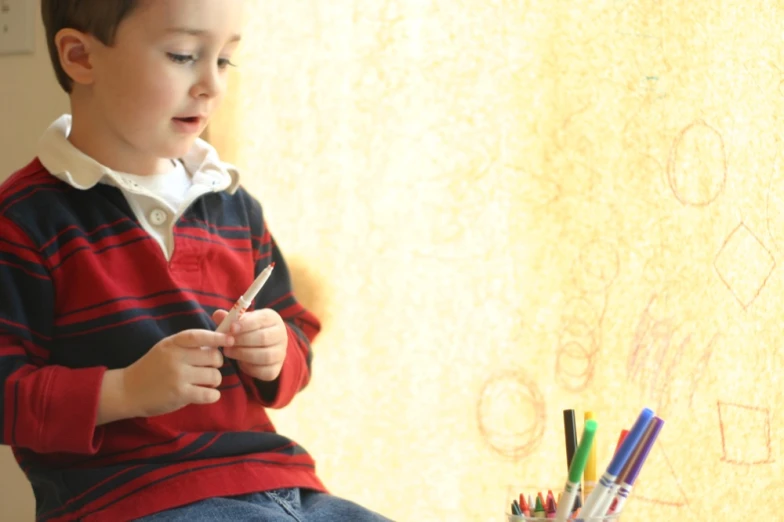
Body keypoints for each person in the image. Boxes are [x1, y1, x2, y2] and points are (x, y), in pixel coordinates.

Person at [0, 1, 390, 520]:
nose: (212, 84)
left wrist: (275, 353)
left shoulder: (232, 202)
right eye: (183, 55)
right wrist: (124, 391)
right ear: (80, 57)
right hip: (132, 498)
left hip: (280, 482)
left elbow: (297, 338)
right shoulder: (25, 220)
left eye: (225, 60)